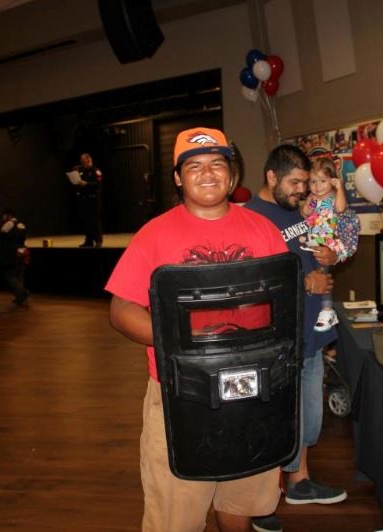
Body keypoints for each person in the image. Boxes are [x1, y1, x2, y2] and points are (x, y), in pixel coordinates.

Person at [105, 127, 289, 532]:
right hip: (179, 393)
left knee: (239, 501)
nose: (207, 174)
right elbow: (121, 308)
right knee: (175, 516)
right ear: (177, 177)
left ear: (231, 173)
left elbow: (285, 305)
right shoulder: (153, 235)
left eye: (217, 164)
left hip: (253, 391)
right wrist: (176, 336)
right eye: (194, 166)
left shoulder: (264, 231)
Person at [245, 145, 348, 532]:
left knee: (307, 417)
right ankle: (262, 498)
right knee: (276, 419)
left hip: (311, 330)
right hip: (277, 341)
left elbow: (321, 248)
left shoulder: (300, 211)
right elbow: (253, 281)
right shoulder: (253, 218)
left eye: (306, 182)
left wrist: (328, 257)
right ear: (272, 177)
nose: (302, 189)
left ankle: (299, 482)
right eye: (294, 182)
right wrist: (307, 282)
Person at [301, 157, 357, 332]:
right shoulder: (313, 198)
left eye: (323, 181)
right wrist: (307, 205)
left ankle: (327, 310)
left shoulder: (334, 197)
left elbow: (340, 209)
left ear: (332, 180)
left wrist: (339, 188)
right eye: (313, 181)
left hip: (328, 241)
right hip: (314, 239)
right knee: (314, 273)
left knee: (322, 273)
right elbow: (304, 213)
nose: (317, 186)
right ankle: (322, 309)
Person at [0, 208, 29, 307]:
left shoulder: (8, 224)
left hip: (12, 253)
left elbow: (1, 237)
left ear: (8, 215)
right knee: (20, 275)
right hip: (22, 251)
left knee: (10, 275)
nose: (3, 218)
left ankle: (23, 293)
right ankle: (19, 300)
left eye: (4, 215)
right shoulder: (21, 224)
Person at [74, 153, 103, 248]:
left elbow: (98, 184)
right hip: (84, 199)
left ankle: (98, 240)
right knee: (86, 221)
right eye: (81, 161)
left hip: (93, 199)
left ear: (89, 160)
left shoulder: (96, 171)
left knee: (94, 221)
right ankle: (89, 241)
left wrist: (86, 184)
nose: (82, 163)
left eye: (84, 161)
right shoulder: (81, 171)